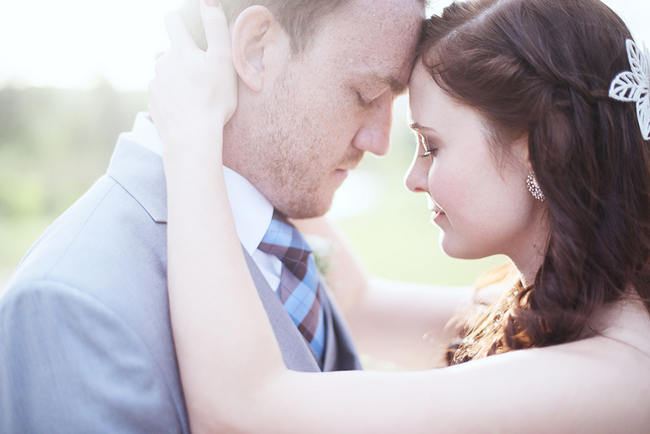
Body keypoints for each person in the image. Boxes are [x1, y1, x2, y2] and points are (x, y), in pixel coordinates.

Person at [152, 0, 650, 432]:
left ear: (539, 149)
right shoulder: (555, 314)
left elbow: (243, 413)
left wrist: (194, 136)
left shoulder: (616, 378)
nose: (412, 176)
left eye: (430, 145)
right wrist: (259, 118)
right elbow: (359, 304)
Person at [0, 0, 426, 432]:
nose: (380, 141)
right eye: (365, 95)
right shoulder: (70, 303)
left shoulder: (276, 216)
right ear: (258, 49)